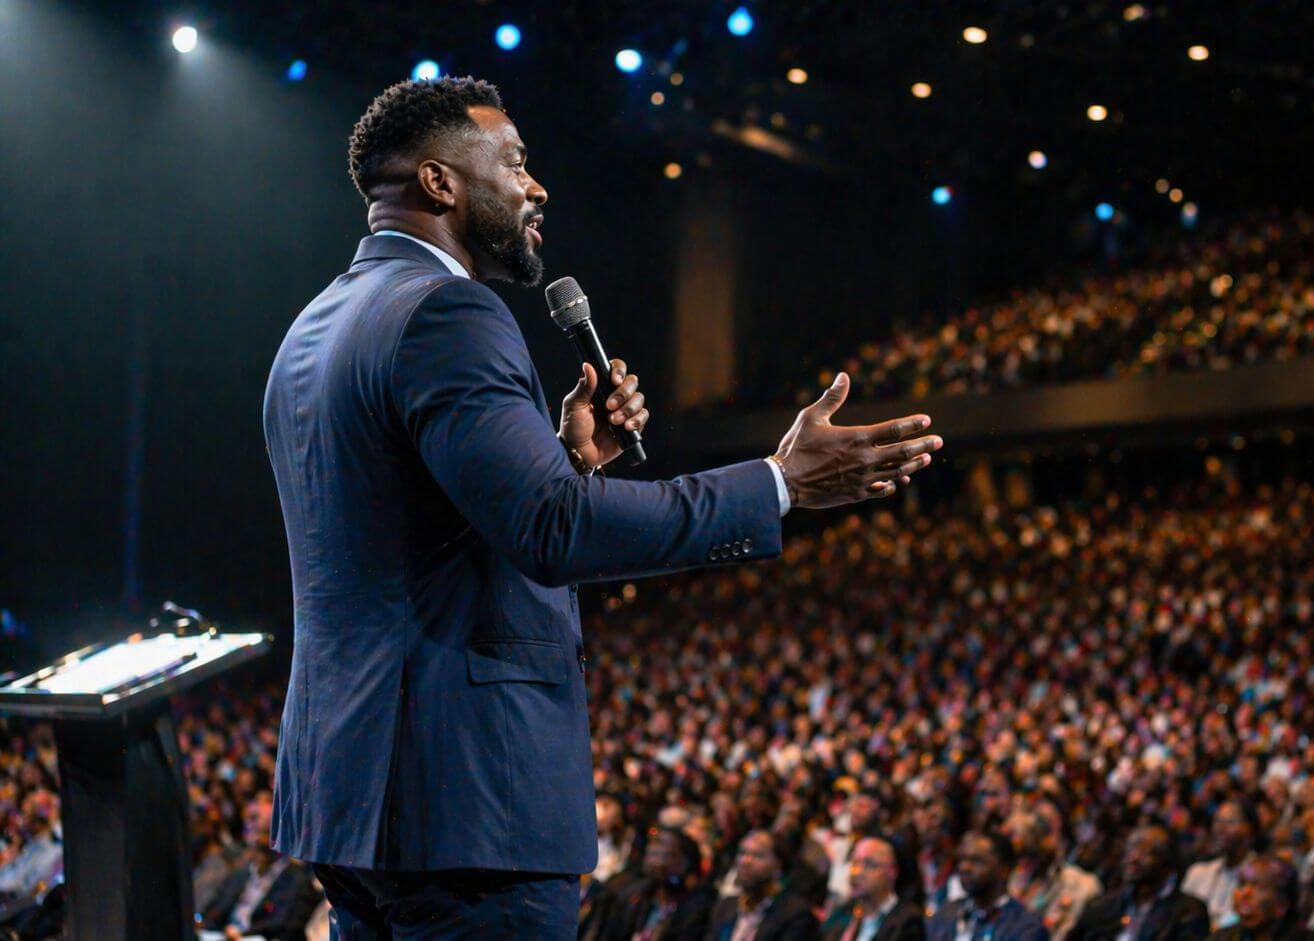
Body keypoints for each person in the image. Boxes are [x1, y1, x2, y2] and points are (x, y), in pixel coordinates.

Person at [263, 76, 942, 937]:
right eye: (514, 162)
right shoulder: (450, 313)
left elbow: (421, 534)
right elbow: (555, 530)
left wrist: (569, 461)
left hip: (350, 799)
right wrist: (779, 481)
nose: (535, 186)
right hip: (468, 805)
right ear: (439, 182)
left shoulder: (315, 327)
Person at [199, 793, 322, 941]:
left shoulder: (296, 880)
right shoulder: (241, 872)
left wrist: (241, 935)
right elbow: (212, 912)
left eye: (255, 818)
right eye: (249, 818)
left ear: (279, 829)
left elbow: (285, 928)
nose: (249, 825)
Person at [1068, 824, 1211, 941]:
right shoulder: (1101, 906)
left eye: (1146, 852)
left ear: (1168, 864)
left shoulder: (1188, 912)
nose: (1134, 858)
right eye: (1131, 849)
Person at [584, 827, 715, 941]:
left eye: (662, 847)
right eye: (652, 846)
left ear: (684, 862)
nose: (653, 852)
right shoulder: (635, 896)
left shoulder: (698, 906)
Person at [1006, 802, 1103, 941]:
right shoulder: (1011, 881)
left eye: (1027, 854)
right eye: (1017, 857)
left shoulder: (1080, 884)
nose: (1023, 865)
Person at [928, 831, 1049, 941]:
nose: (964, 867)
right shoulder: (947, 912)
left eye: (977, 861)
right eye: (962, 860)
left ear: (1004, 869)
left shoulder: (1025, 927)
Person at [704, 831, 819, 941]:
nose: (746, 861)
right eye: (742, 853)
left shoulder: (795, 915)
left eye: (758, 855)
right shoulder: (725, 907)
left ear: (778, 864)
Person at [821, 836, 926, 941]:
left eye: (869, 864)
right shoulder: (843, 913)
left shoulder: (908, 921)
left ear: (892, 871)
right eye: (854, 862)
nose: (856, 872)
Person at [1208, 856, 1314, 941]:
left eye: (1259, 887)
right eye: (1242, 884)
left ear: (1282, 904)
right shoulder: (1222, 937)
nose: (1244, 893)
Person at [1187, 801, 1262, 928]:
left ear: (1250, 829)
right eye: (1217, 821)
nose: (1219, 828)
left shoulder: (1260, 877)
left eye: (1230, 822)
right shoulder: (1198, 872)